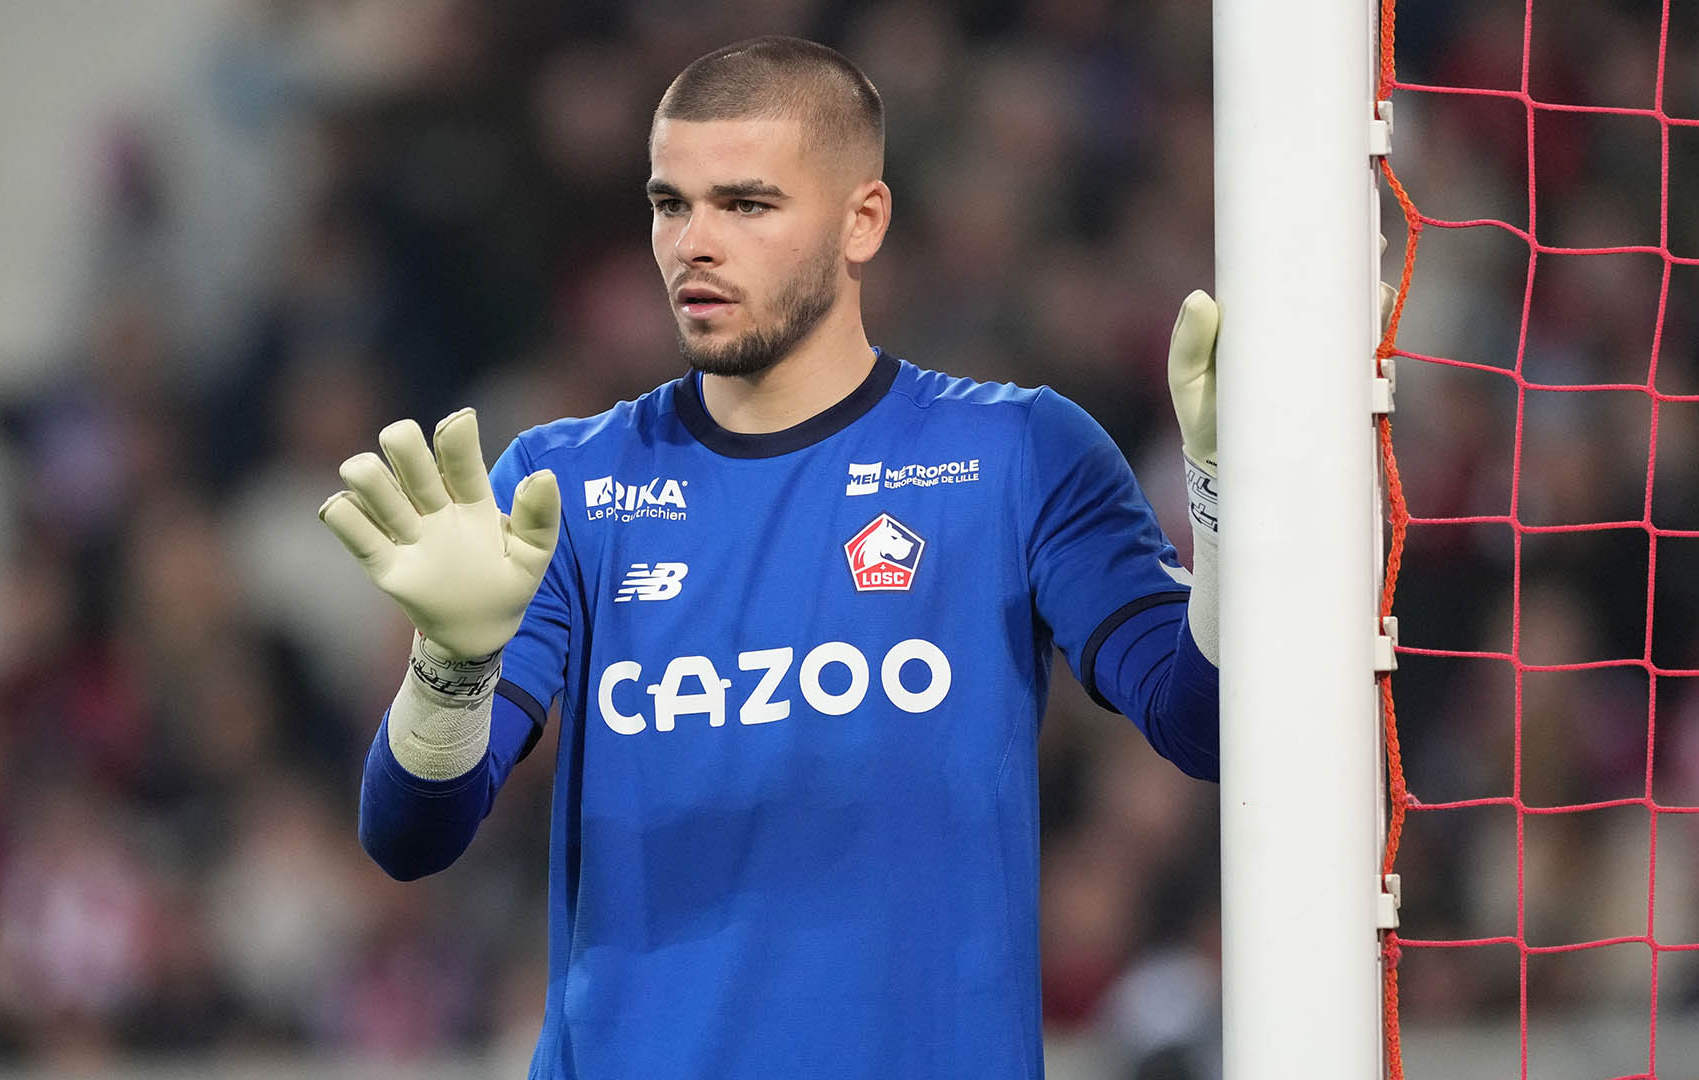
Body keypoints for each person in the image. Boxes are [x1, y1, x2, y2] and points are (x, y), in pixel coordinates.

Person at [318, 35, 1222, 1080]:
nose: (693, 244)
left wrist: (1226, 501)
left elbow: (1204, 726)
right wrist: (450, 668)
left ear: (862, 220)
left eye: (746, 204)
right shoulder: (564, 485)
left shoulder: (1018, 455)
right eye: (670, 204)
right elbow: (411, 837)